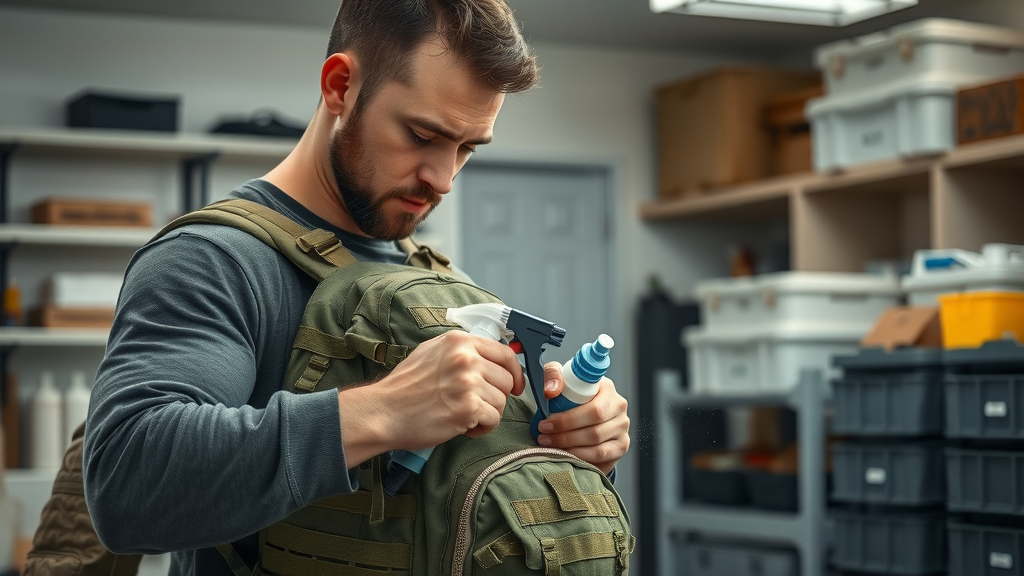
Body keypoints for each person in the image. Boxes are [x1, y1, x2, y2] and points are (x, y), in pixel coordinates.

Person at [83, 0, 631, 573]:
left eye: (467, 148)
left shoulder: (445, 281)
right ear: (341, 86)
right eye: (422, 135)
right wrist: (384, 411)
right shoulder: (215, 260)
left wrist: (574, 436)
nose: (443, 178)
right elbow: (126, 485)